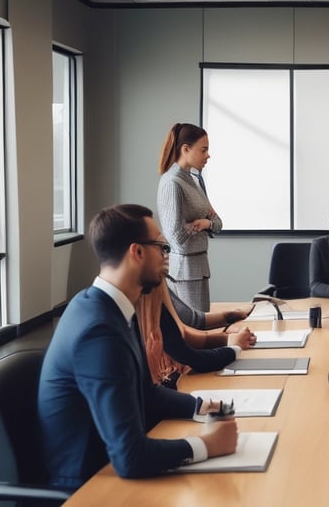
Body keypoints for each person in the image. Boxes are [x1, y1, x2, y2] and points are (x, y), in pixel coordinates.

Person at [38, 204, 238, 491]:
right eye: (162, 247)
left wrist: (201, 406)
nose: (166, 256)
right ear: (137, 252)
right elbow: (130, 457)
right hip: (88, 487)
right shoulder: (98, 330)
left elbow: (147, 393)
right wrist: (207, 445)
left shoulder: (111, 308)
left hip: (109, 472)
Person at [136, 282, 257, 385]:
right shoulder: (148, 287)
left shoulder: (155, 284)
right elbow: (188, 352)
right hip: (163, 378)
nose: (165, 261)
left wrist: (228, 328)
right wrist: (232, 346)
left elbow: (182, 330)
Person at [157, 123, 222, 313]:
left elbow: (217, 223)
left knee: (203, 323)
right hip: (183, 270)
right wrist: (201, 225)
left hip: (200, 266)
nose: (208, 155)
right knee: (194, 325)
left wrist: (205, 223)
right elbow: (175, 237)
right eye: (203, 150)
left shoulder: (194, 180)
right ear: (185, 149)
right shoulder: (172, 183)